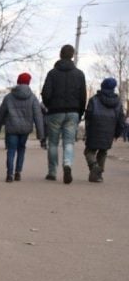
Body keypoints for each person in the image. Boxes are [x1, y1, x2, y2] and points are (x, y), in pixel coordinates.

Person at [41, 44, 87, 183]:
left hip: (55, 111)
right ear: (72, 55)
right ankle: (67, 164)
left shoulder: (52, 73)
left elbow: (46, 93)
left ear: (60, 54)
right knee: (69, 142)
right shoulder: (79, 74)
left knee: (53, 143)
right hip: (73, 111)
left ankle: (52, 172)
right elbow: (83, 96)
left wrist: (49, 106)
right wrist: (80, 112)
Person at [0, 73, 44, 182]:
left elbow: (1, 114)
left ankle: (9, 174)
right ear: (28, 82)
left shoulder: (9, 97)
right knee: (21, 149)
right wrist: (41, 134)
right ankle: (18, 173)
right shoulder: (33, 97)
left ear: (18, 81)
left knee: (11, 150)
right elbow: (38, 115)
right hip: (25, 128)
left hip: (11, 127)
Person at [82, 77, 126, 183]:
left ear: (102, 86)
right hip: (109, 132)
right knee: (103, 151)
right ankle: (98, 176)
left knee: (89, 151)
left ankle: (94, 166)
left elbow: (88, 116)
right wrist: (117, 134)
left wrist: (87, 130)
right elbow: (121, 121)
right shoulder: (118, 103)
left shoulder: (94, 99)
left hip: (94, 130)